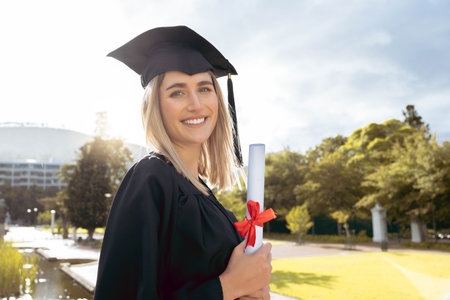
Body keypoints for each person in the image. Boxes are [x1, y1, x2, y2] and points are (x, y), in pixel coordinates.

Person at [94, 26, 272, 300]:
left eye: (204, 88)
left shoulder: (200, 190)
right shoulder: (151, 179)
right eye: (177, 92)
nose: (196, 104)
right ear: (155, 105)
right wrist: (229, 286)